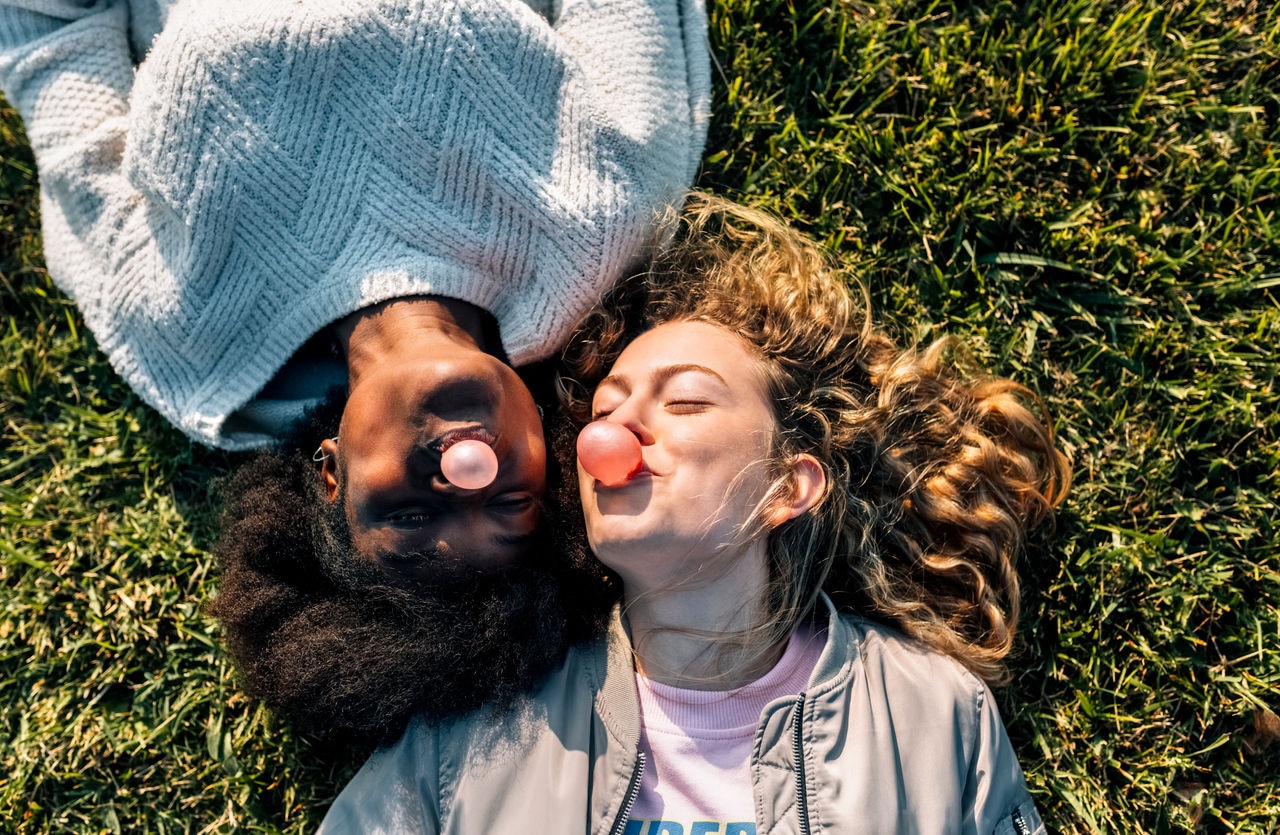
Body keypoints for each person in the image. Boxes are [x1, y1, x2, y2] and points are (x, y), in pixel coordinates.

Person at [1, 0, 708, 733]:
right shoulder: (601, 229)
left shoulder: (183, 332)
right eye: (511, 505)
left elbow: (46, 43)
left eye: (410, 517)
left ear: (331, 474)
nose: (469, 473)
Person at [318, 193, 1071, 833]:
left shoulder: (933, 714)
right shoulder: (481, 721)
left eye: (684, 400)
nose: (618, 429)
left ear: (789, 486)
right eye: (604, 410)